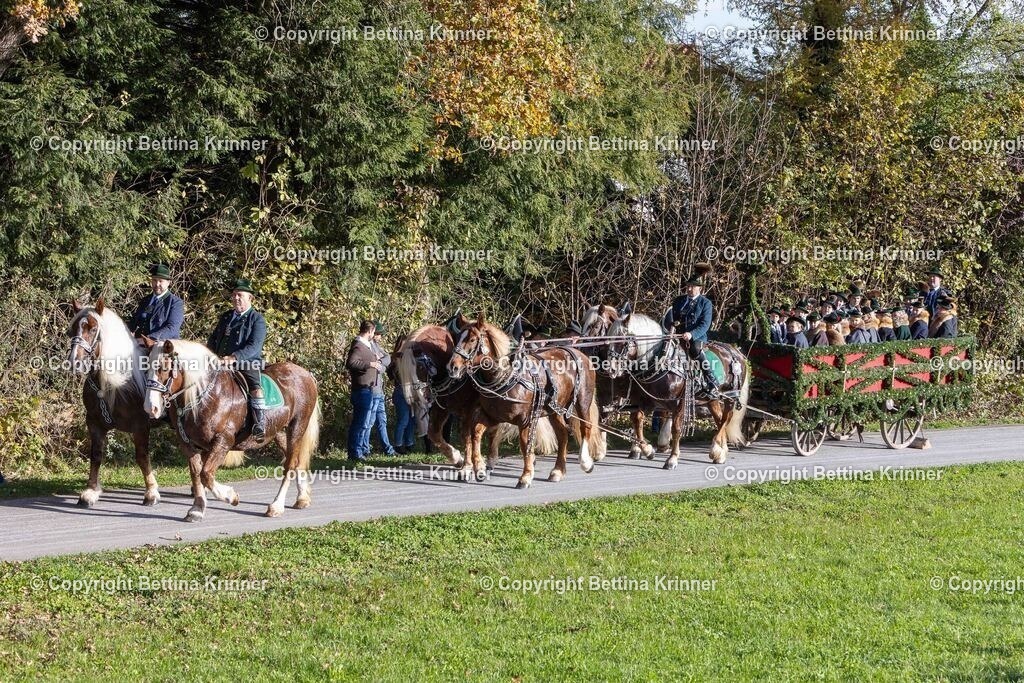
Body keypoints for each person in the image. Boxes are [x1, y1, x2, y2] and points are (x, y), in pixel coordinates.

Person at [208, 278, 268, 439]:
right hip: (220, 361)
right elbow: (214, 339)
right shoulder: (226, 317)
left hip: (247, 362)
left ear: (250, 298)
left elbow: (254, 346)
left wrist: (234, 357)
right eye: (234, 295)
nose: (236, 298)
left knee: (255, 386)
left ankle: (259, 423)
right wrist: (210, 355)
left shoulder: (257, 319)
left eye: (240, 295)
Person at [663, 267, 721, 400]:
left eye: (692, 287)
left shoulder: (705, 303)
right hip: (677, 336)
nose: (689, 289)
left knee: (695, 349)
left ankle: (711, 380)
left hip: (697, 337)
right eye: (688, 286)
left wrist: (691, 334)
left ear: (699, 288)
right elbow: (672, 319)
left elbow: (705, 324)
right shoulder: (678, 301)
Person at [346, 320, 383, 462]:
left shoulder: (365, 346)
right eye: (373, 332)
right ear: (370, 331)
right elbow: (351, 363)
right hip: (361, 390)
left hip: (367, 389)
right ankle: (354, 453)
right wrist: (371, 364)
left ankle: (358, 450)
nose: (374, 334)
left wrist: (376, 359)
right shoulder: (358, 345)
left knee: (362, 422)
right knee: (359, 423)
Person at [128, 263, 184, 346]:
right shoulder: (145, 300)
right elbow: (134, 322)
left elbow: (172, 328)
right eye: (154, 280)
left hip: (162, 346)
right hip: (140, 344)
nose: (157, 284)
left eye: (161, 281)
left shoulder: (175, 303)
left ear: (168, 283)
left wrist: (148, 339)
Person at [367, 322, 396, 456]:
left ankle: (388, 449)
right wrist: (379, 364)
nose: (380, 337)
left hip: (380, 390)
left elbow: (388, 358)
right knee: (370, 421)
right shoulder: (368, 347)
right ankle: (364, 449)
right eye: (378, 334)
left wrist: (380, 364)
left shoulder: (377, 347)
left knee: (382, 421)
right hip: (373, 390)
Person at [388, 334, 416, 455]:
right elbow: (391, 376)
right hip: (401, 391)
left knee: (412, 419)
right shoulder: (395, 359)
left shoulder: (410, 357)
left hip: (411, 390)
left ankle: (409, 443)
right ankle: (398, 444)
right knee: (404, 419)